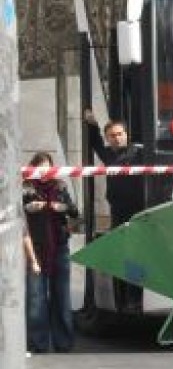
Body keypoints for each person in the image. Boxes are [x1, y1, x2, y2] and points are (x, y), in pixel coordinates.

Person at [85, 110, 147, 311]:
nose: (117, 138)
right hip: (118, 211)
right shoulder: (109, 154)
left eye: (120, 134)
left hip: (139, 211)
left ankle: (135, 298)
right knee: (125, 256)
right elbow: (94, 144)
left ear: (127, 135)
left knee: (137, 256)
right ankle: (127, 299)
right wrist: (92, 124)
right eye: (112, 136)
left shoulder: (139, 153)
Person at [23, 151, 80, 353]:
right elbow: (15, 212)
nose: (43, 170)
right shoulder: (25, 186)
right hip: (35, 248)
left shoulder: (61, 186)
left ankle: (63, 342)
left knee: (62, 295)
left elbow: (75, 212)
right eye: (39, 166)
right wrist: (28, 207)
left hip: (60, 246)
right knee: (36, 298)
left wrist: (60, 207)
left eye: (47, 166)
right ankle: (38, 344)